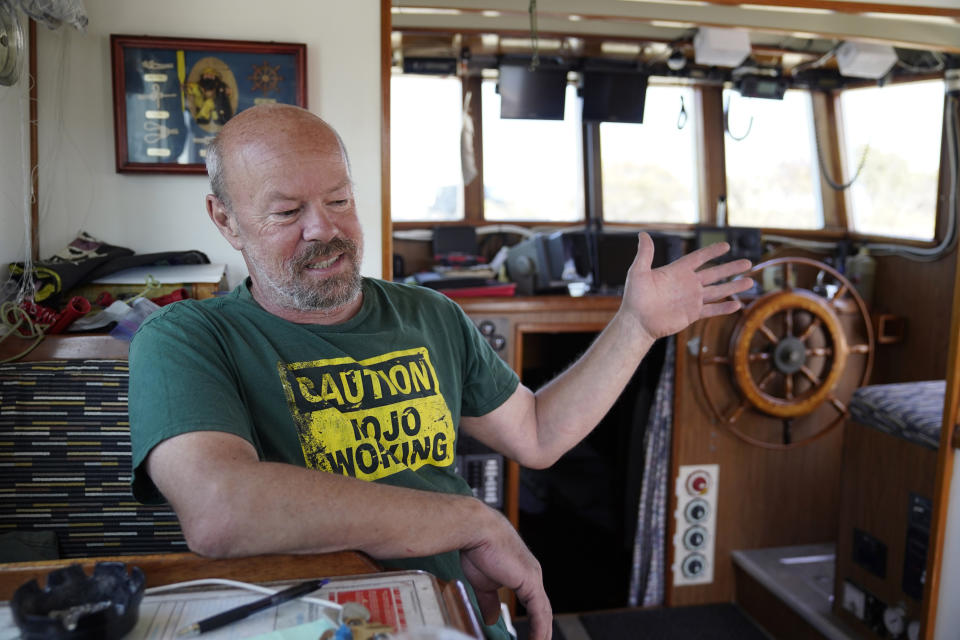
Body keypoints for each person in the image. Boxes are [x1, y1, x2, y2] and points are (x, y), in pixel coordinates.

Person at [128, 103, 753, 640]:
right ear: (225, 220)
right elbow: (219, 509)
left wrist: (635, 326)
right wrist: (470, 521)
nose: (325, 229)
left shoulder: (430, 314)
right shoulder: (185, 338)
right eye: (287, 212)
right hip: (302, 617)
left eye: (340, 200)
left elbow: (536, 434)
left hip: (455, 611)